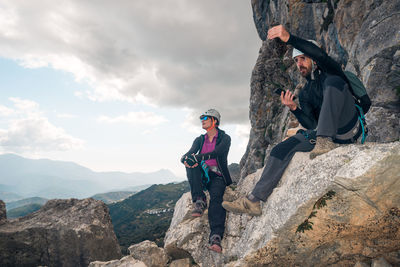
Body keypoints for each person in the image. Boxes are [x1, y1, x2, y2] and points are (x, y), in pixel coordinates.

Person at [222, 25, 364, 216]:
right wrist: (294, 109)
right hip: (329, 136)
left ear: (314, 58)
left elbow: (322, 57)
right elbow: (313, 125)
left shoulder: (332, 72)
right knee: (281, 149)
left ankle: (324, 141)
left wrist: (289, 38)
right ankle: (254, 200)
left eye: (303, 58)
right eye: (296, 61)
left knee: (333, 82)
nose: (299, 64)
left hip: (349, 126)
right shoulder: (306, 92)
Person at [181, 108, 232, 253]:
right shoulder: (199, 140)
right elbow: (187, 155)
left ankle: (216, 236)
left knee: (216, 199)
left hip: (217, 176)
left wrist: (198, 157)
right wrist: (186, 160)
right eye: (201, 119)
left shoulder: (224, 138)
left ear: (215, 121)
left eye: (205, 119)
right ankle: (200, 200)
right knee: (192, 163)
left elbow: (217, 153)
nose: (202, 121)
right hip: (202, 174)